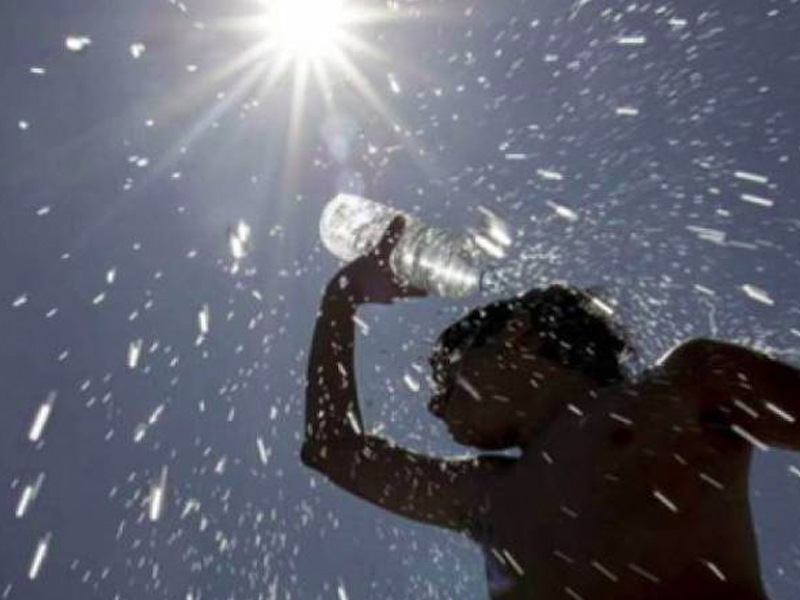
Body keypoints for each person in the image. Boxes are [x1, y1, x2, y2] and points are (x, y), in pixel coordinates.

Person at [302, 217, 800, 600]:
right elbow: (332, 447)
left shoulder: (684, 386)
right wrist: (340, 302)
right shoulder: (488, 492)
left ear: (516, 332)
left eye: (447, 376)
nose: (434, 404)